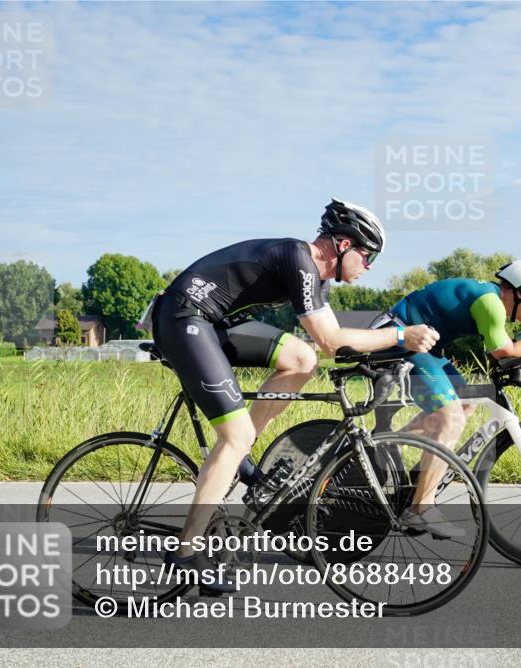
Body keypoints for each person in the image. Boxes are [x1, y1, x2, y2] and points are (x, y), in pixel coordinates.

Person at [151, 199, 439, 591]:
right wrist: (400, 335)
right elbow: (332, 340)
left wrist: (386, 357)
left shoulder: (316, 278)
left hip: (214, 322)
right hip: (184, 317)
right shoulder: (298, 259)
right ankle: (186, 552)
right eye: (368, 256)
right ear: (343, 244)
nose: (369, 266)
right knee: (234, 436)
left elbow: (327, 346)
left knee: (302, 359)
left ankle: (239, 455)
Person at [370, 260, 521, 538]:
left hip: (422, 346)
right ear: (520, 291)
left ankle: (389, 447)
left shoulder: (491, 301)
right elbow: (506, 353)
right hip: (399, 341)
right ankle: (420, 509)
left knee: (465, 402)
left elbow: (508, 352)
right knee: (451, 417)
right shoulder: (490, 303)